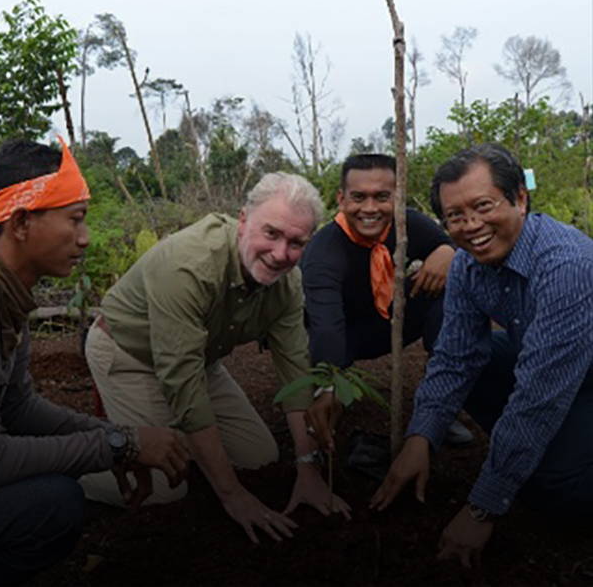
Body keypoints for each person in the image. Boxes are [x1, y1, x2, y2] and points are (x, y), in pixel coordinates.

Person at [0, 140, 189, 587]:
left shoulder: (2, 292)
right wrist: (120, 447)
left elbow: (18, 409)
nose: (84, 237)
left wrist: (114, 436)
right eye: (75, 219)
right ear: (22, 223)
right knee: (54, 507)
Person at [81, 171, 351, 544]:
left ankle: (177, 443)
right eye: (270, 233)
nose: (280, 254)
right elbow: (183, 387)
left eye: (296, 242)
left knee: (260, 457)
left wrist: (309, 470)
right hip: (130, 355)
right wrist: (234, 495)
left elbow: (295, 374)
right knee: (165, 491)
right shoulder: (188, 266)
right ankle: (67, 463)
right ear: (243, 221)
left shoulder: (287, 284)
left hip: (199, 360)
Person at [371, 144, 593, 567]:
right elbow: (455, 360)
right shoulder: (467, 266)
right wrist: (421, 437)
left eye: (483, 206)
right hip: (552, 366)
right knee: (480, 358)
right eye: (455, 216)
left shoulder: (567, 266)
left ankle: (538, 462)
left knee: (547, 487)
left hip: (583, 376)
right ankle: (528, 454)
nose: (471, 225)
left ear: (520, 199)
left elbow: (538, 399)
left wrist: (483, 507)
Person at [300, 153, 471, 445]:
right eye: (358, 197)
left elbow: (462, 240)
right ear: (341, 199)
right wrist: (327, 385)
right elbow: (326, 324)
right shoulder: (323, 252)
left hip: (393, 321)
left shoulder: (409, 225)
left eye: (382, 197)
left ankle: (439, 406)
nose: (370, 208)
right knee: (326, 382)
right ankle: (330, 397)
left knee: (449, 290)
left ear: (398, 197)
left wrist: (449, 252)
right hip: (342, 334)